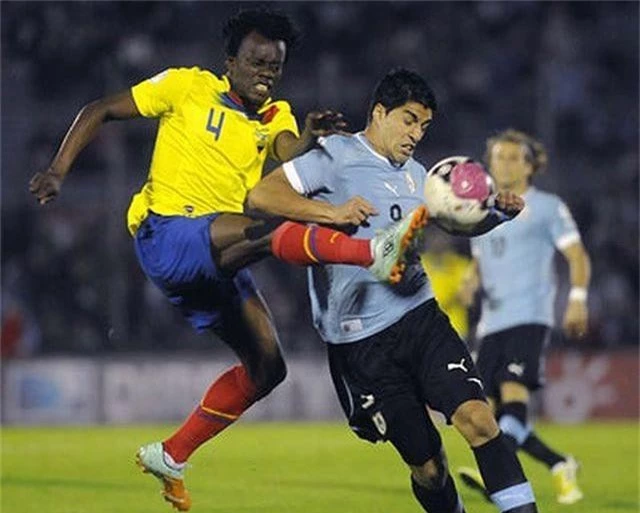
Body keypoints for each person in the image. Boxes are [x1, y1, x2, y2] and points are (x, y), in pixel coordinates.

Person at [28, 9, 425, 511]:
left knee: (268, 367)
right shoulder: (185, 87)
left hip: (219, 255)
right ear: (230, 61)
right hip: (167, 234)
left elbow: (287, 151)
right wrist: (58, 171)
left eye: (275, 67)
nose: (266, 74)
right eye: (257, 62)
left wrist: (308, 136)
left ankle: (171, 455)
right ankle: (374, 251)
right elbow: (98, 109)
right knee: (276, 225)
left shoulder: (275, 114)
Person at [248, 69, 539, 513]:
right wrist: (330, 213)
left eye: (423, 125)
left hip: (420, 318)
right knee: (429, 467)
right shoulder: (334, 155)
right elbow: (261, 197)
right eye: (408, 120)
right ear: (379, 112)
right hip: (360, 343)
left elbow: (452, 221)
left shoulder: (419, 174)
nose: (416, 134)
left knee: (479, 421)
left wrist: (493, 214)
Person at [456, 129, 591, 505]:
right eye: (499, 156)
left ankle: (498, 478)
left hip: (528, 316)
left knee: (514, 395)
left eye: (514, 158)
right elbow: (481, 259)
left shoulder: (547, 207)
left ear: (530, 166)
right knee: (490, 415)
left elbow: (577, 255)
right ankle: (560, 464)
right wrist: (470, 280)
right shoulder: (480, 207)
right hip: (490, 325)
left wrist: (577, 298)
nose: (505, 163)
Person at [419, 230, 477, 341]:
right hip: (428, 337)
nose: (439, 241)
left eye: (443, 236)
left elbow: (468, 299)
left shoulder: (460, 263)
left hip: (458, 333)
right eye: (434, 236)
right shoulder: (419, 265)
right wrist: (453, 294)